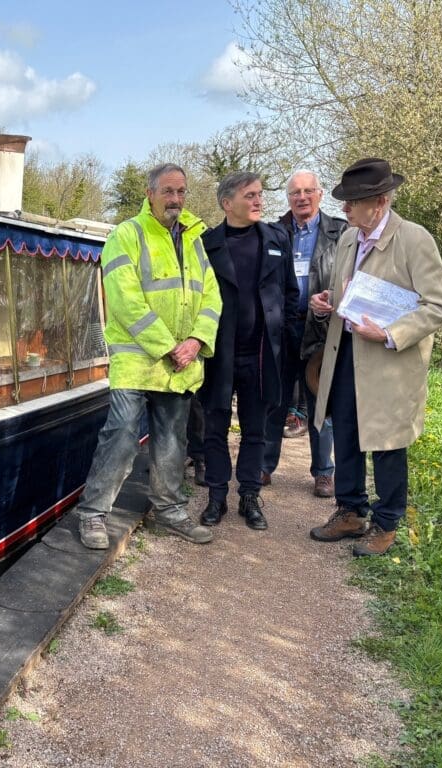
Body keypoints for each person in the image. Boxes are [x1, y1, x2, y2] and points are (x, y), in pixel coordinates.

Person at [75, 163, 223, 549]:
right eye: (168, 191)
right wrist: (168, 345)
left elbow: (211, 295)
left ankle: (169, 510)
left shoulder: (194, 238)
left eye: (181, 192)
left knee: (173, 440)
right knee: (122, 435)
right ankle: (93, 514)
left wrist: (196, 341)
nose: (175, 199)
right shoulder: (127, 234)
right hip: (140, 358)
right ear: (150, 193)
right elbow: (125, 300)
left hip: (182, 361)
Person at [309, 158, 442, 556]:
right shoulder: (349, 239)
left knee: (388, 444)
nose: (345, 209)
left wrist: (389, 333)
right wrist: (327, 302)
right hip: (346, 355)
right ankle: (350, 512)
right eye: (345, 201)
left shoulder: (415, 239)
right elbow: (351, 296)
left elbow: (437, 306)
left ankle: (386, 523)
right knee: (348, 435)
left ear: (381, 202)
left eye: (353, 202)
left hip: (389, 363)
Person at [198, 171, 298, 531]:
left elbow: (289, 293)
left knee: (256, 430)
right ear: (228, 203)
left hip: (261, 354)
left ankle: (250, 497)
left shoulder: (276, 238)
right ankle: (216, 497)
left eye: (259, 194)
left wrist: (283, 336)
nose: (259, 201)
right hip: (219, 353)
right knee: (215, 428)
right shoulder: (206, 244)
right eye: (250, 196)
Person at [261, 170, 346, 497]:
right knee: (275, 400)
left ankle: (324, 472)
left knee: (320, 403)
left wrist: (332, 300)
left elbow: (352, 278)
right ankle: (265, 466)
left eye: (308, 191)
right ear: (288, 198)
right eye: (295, 192)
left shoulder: (340, 232)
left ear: (320, 194)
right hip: (281, 328)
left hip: (321, 330)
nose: (302, 197)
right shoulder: (272, 231)